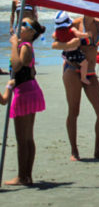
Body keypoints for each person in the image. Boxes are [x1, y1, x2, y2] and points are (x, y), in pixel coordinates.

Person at [52, 15, 99, 161]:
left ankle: (98, 150)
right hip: (73, 70)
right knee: (74, 111)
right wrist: (70, 45)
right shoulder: (74, 23)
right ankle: (74, 151)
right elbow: (55, 43)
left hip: (91, 72)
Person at [6, 18, 46, 186]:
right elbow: (31, 69)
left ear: (32, 33)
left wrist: (14, 44)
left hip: (24, 93)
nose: (20, 26)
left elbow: (16, 65)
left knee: (23, 139)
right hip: (29, 90)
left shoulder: (24, 46)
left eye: (25, 25)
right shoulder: (28, 47)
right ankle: (27, 175)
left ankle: (23, 176)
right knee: (28, 138)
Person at [53, 11, 91, 85]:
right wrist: (87, 34)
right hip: (75, 52)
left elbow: (54, 37)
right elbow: (80, 35)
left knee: (65, 62)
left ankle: (64, 73)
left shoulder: (57, 32)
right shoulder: (72, 29)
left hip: (65, 53)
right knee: (84, 64)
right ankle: (83, 78)